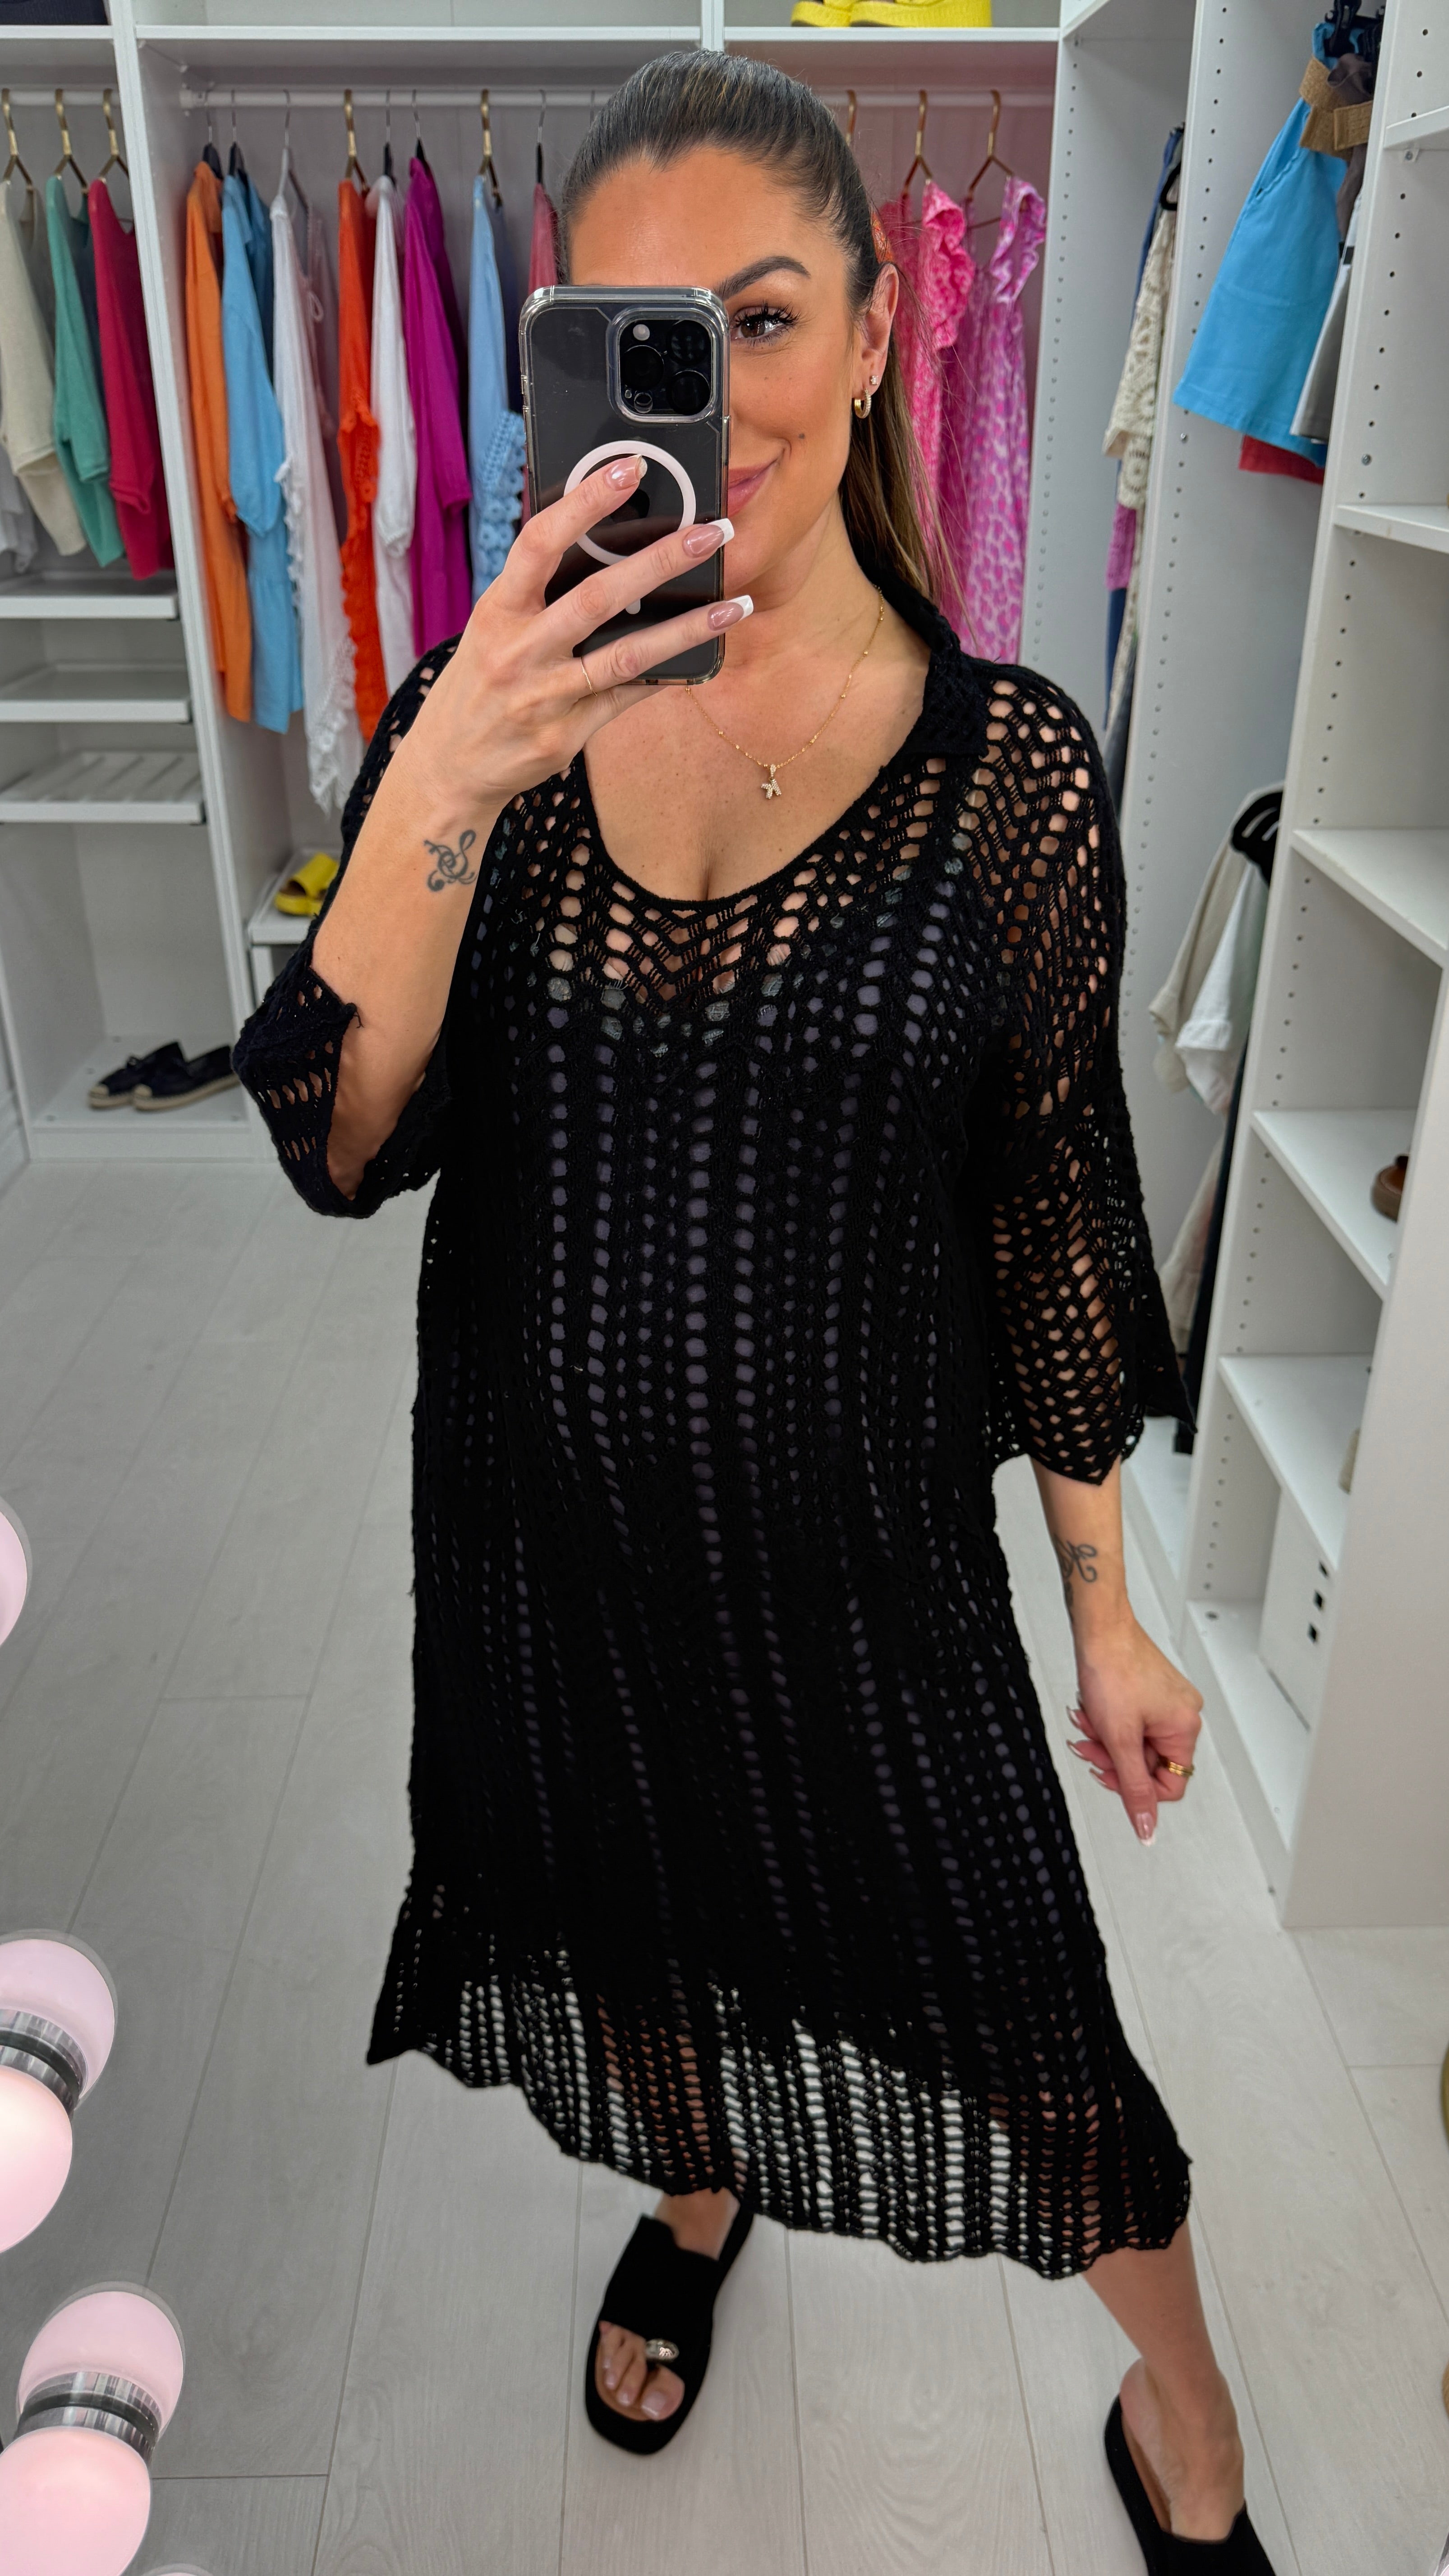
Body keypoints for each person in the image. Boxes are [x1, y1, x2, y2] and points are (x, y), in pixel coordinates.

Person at [234, 53, 1274, 2570]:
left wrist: (1106, 1611)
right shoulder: (483, 732)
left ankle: (1193, 2417)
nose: (716, 387)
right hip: (551, 1569)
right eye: (641, 331)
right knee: (640, 1940)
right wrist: (448, 773)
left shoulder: (1009, 774)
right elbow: (338, 1141)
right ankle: (698, 2201)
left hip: (865, 1597)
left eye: (765, 316)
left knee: (1035, 2030)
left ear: (883, 327)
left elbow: (1048, 1214)